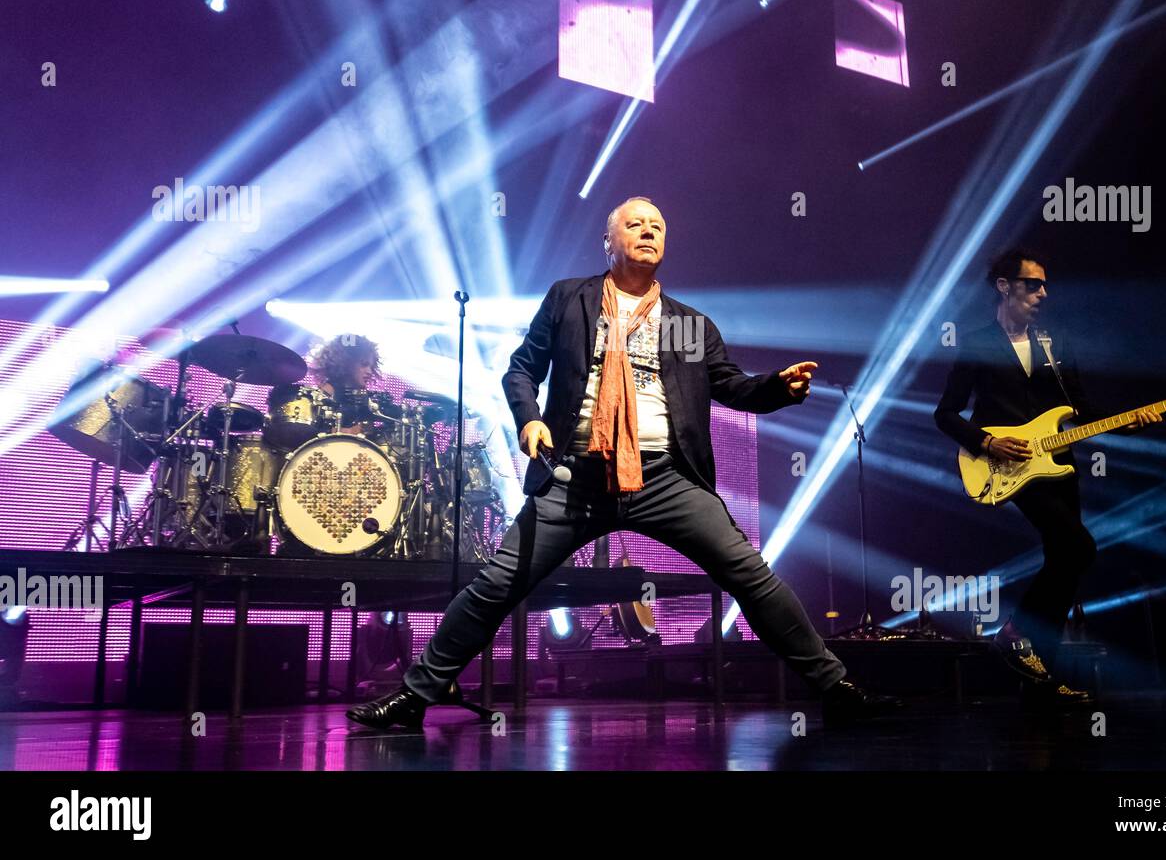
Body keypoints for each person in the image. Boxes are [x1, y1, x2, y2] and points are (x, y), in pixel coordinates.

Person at [348, 196, 898, 729]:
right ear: (608, 241)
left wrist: (776, 387)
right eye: (634, 223)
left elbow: (731, 386)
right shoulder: (569, 299)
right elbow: (522, 369)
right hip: (576, 475)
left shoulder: (689, 324)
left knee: (751, 576)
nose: (648, 230)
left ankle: (835, 689)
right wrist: (529, 419)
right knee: (498, 582)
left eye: (657, 225)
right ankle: (415, 696)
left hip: (666, 477)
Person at [934, 247, 1161, 706]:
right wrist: (987, 442)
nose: (1043, 293)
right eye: (1033, 284)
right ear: (1004, 287)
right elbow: (946, 413)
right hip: (1010, 466)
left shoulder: (1054, 343)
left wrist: (1128, 421)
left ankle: (1041, 678)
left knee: (1066, 559)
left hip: (1057, 464)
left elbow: (1081, 411)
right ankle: (1014, 633)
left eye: (1044, 284)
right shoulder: (977, 342)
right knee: (1079, 547)